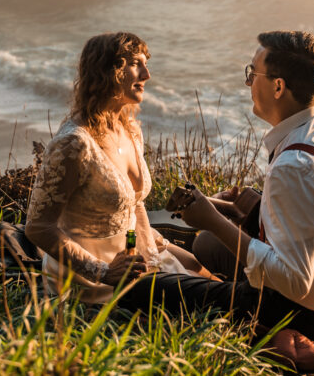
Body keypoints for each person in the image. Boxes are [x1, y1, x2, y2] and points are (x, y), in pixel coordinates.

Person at [119, 30, 314, 342]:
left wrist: (211, 220)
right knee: (206, 245)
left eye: (252, 73)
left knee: (141, 289)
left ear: (278, 86)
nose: (248, 82)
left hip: (301, 315)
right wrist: (240, 211)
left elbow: (295, 282)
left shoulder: (295, 166)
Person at [25, 32, 207, 303]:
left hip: (134, 256)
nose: (146, 74)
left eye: (146, 64)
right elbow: (38, 227)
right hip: (92, 279)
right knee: (212, 297)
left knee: (204, 271)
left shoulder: (128, 129)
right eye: (136, 63)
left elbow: (135, 205)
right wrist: (103, 272)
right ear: (107, 70)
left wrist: (155, 254)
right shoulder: (73, 144)